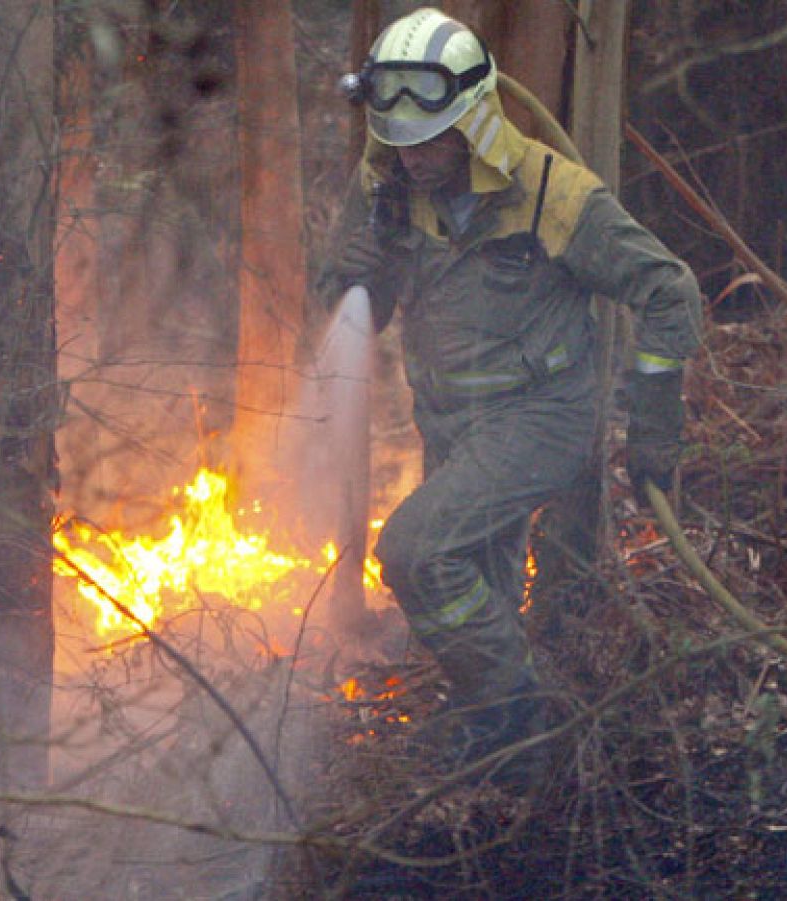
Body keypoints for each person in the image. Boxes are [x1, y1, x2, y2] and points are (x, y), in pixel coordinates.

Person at [316, 8, 703, 770]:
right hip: (450, 424)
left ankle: (523, 723)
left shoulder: (551, 196)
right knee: (474, 601)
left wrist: (653, 431)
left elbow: (669, 289)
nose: (415, 160)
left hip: (541, 417)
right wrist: (350, 274)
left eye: (430, 140)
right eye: (399, 142)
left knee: (416, 551)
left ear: (475, 121)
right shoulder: (386, 182)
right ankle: (504, 745)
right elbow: (359, 304)